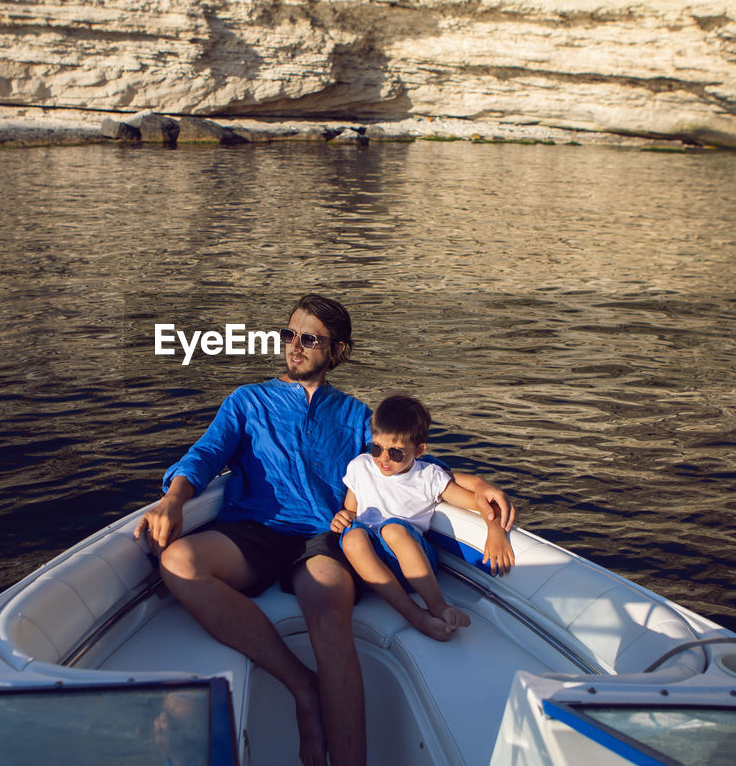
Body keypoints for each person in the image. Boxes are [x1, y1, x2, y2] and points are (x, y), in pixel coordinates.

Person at [133, 294, 515, 766]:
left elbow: (412, 464)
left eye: (308, 338)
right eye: (288, 335)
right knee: (179, 561)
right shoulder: (248, 401)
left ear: (337, 351)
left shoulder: (356, 416)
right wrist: (174, 500)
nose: (294, 346)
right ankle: (302, 687)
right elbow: (205, 455)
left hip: (321, 536)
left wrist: (481, 489)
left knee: (331, 619)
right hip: (254, 529)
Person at [331, 393, 515, 643]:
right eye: (377, 448)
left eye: (395, 453)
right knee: (352, 537)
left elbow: (482, 502)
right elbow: (351, 510)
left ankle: (438, 607)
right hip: (371, 567)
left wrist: (495, 530)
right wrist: (344, 517)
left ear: (418, 451)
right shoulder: (360, 466)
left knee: (392, 530)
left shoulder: (429, 477)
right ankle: (415, 615)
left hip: (409, 559)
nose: (383, 458)